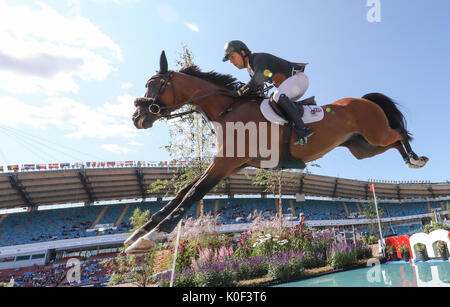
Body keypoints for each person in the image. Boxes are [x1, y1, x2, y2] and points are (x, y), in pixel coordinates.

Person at [223, 40, 314, 146]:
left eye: (232, 57)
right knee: (271, 103)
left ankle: (303, 129)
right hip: (291, 87)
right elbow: (258, 90)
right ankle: (304, 107)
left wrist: (238, 93)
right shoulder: (251, 69)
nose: (232, 62)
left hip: (298, 80)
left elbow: (256, 81)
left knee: (277, 96)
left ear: (243, 53)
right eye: (229, 59)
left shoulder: (258, 59)